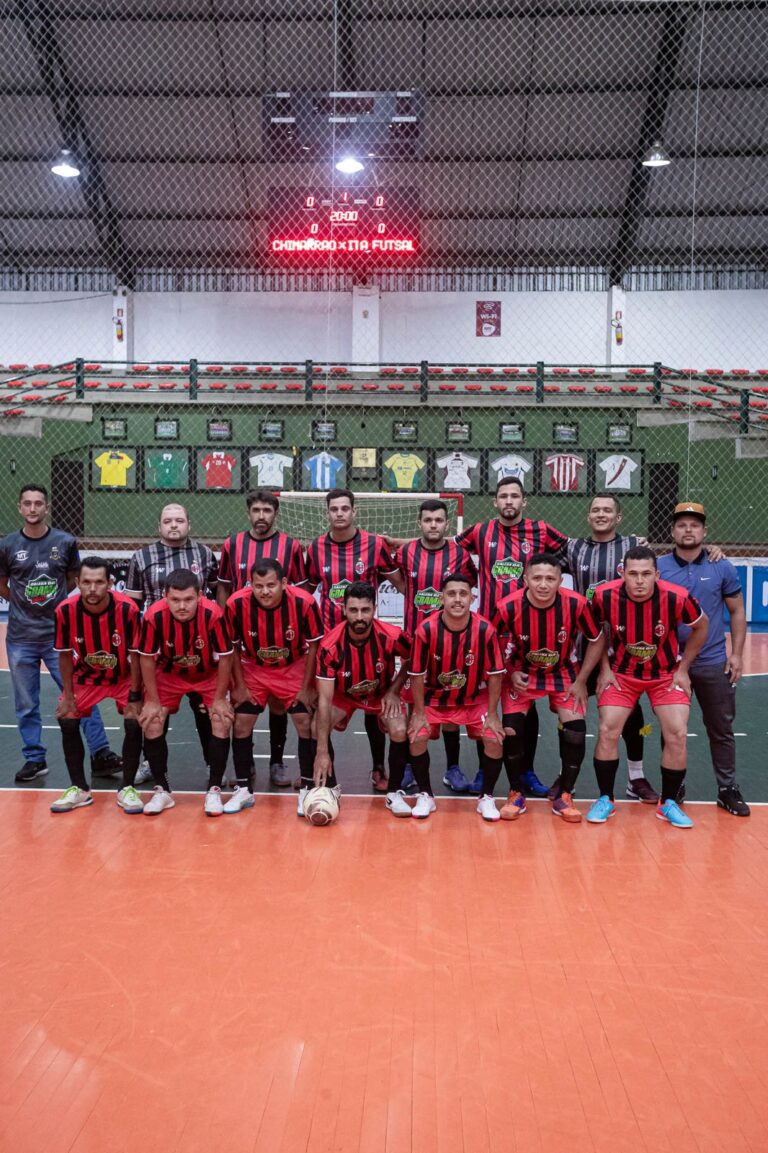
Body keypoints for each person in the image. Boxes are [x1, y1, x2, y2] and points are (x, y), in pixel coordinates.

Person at [455, 477, 568, 798]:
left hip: (527, 634)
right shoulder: (480, 531)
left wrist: (624, 544)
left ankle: (526, 772)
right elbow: (446, 546)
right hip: (488, 632)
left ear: (524, 501)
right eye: (503, 495)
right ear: (495, 501)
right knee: (484, 703)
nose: (508, 501)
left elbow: (573, 549)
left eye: (514, 496)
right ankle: (483, 771)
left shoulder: (541, 531)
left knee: (525, 705)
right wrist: (399, 542)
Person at [0, 484, 120, 783]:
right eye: (26, 503)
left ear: (47, 507)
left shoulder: (65, 542)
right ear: (19, 507)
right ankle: (34, 758)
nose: (32, 508)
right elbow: (2, 581)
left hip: (59, 638)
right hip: (20, 637)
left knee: (80, 694)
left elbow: (72, 579)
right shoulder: (8, 544)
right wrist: (19, 600)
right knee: (26, 703)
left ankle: (101, 753)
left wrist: (55, 605)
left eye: (38, 503)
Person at [589, 545, 708, 829]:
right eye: (633, 574)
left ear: (657, 574)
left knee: (677, 733)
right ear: (622, 573)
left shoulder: (676, 597)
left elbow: (701, 626)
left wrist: (683, 669)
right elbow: (595, 633)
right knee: (608, 730)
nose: (639, 580)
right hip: (622, 675)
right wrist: (604, 669)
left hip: (666, 675)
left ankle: (667, 804)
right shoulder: (604, 595)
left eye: (646, 574)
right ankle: (606, 798)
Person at [493, 554, 605, 824]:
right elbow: (491, 643)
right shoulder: (507, 607)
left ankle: (564, 795)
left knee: (576, 732)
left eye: (550, 578)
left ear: (559, 580)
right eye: (537, 578)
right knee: (512, 730)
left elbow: (596, 639)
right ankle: (516, 792)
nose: (543, 584)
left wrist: (581, 681)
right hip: (522, 674)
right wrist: (510, 671)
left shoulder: (576, 604)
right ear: (525, 579)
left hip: (564, 674)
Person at [657, 502, 749, 816]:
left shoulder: (721, 566)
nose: (688, 530)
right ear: (672, 530)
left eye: (694, 525)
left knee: (720, 728)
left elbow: (737, 612)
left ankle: (727, 788)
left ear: (704, 531)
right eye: (681, 524)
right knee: (672, 729)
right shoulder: (659, 568)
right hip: (671, 664)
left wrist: (736, 654)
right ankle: (674, 786)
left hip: (712, 662)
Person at [562, 493, 656, 802]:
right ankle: (567, 779)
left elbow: (659, 570)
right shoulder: (573, 548)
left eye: (607, 510)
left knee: (633, 718)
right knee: (570, 715)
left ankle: (636, 776)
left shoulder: (632, 546)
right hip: (582, 646)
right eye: (595, 510)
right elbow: (536, 561)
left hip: (622, 648)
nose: (601, 514)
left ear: (618, 518)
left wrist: (711, 550)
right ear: (588, 516)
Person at [305, 489, 399, 793]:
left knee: (378, 711)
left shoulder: (374, 545)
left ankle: (380, 770)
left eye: (345, 508)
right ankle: (322, 779)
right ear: (327, 513)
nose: (340, 513)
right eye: (334, 509)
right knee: (319, 714)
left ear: (354, 511)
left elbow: (402, 583)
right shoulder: (316, 548)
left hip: (371, 644)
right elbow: (307, 588)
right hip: (333, 647)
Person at [217, 490, 307, 787]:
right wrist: (221, 623)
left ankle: (277, 762)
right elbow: (224, 586)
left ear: (275, 514)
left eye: (267, 511)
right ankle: (247, 767)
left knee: (280, 706)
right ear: (248, 513)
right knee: (244, 709)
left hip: (283, 640)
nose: (261, 516)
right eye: (256, 510)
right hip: (247, 639)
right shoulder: (232, 543)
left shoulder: (291, 546)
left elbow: (301, 590)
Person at [388, 498, 478, 793]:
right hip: (415, 640)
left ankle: (452, 768)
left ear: (447, 524)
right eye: (428, 520)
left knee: (450, 699)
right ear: (419, 523)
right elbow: (400, 582)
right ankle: (411, 769)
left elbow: (466, 588)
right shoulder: (406, 552)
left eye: (439, 520)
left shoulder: (460, 554)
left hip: (453, 641)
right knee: (415, 701)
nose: (433, 525)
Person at [125, 503, 218, 783]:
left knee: (204, 711)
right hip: (159, 651)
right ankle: (151, 764)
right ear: (160, 526)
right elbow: (131, 607)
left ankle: (212, 764)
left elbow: (213, 595)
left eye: (179, 520)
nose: (174, 525)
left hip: (199, 648)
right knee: (155, 710)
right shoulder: (142, 557)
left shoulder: (204, 554)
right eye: (168, 521)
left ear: (189, 523)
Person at [227, 558, 322, 815]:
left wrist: (307, 686)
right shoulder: (236, 604)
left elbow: (314, 645)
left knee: (304, 721)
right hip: (255, 667)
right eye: (259, 586)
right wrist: (237, 685)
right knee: (241, 722)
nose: (265, 591)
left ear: (283, 583)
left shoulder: (304, 602)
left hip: (293, 666)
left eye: (271, 585)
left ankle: (307, 789)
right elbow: (232, 647)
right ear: (251, 585)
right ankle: (244, 790)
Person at [407, 573, 506, 821]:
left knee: (494, 739)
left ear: (472, 598)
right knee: (416, 737)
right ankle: (426, 795)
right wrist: (418, 713)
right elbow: (417, 674)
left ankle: (487, 797)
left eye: (463, 594)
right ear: (442, 598)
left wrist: (493, 715)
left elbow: (495, 674)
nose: (457, 599)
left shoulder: (486, 629)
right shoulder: (426, 630)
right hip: (434, 699)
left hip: (474, 698)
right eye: (451, 594)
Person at [49, 557, 143, 813]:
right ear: (77, 582)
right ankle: (80, 789)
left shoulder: (128, 610)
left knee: (135, 720)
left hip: (123, 676)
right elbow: (65, 655)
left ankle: (127, 787)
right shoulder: (65, 611)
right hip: (86, 677)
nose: (92, 589)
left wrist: (135, 693)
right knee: (67, 717)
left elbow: (137, 655)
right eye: (86, 582)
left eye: (99, 582)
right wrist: (68, 695)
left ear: (110, 584)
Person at [138, 569, 234, 815]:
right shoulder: (153, 616)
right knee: (152, 720)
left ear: (200, 596)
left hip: (208, 674)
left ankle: (214, 790)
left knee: (221, 719)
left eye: (188, 600)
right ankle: (163, 791)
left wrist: (221, 698)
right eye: (175, 600)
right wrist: (152, 701)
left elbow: (226, 657)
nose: (182, 606)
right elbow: (147, 659)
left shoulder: (213, 614)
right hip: (169, 674)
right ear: (165, 596)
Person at [313, 581, 411, 817]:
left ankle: (394, 793)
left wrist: (394, 690)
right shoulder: (329, 646)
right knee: (317, 726)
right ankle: (330, 789)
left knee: (399, 729)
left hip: (380, 694)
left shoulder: (392, 636)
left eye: (365, 610)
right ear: (344, 609)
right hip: (343, 695)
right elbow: (325, 700)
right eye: (353, 610)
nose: (359, 617)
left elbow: (412, 659)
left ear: (374, 609)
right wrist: (322, 752)